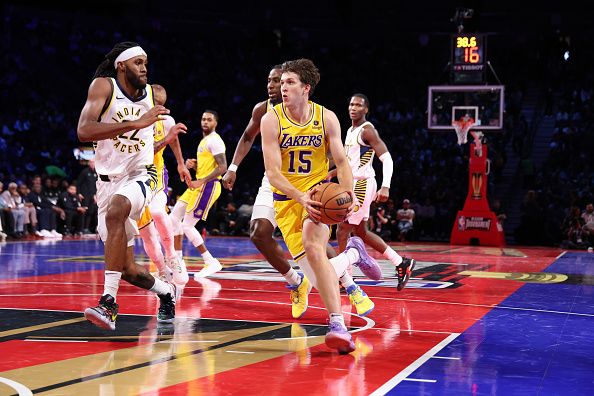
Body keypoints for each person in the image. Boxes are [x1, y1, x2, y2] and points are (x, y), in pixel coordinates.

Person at [222, 67, 376, 318]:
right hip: (275, 180)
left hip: (310, 185)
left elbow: (333, 154)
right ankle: (296, 281)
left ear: (303, 86)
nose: (274, 85)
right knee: (258, 232)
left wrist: (338, 186)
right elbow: (247, 138)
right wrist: (233, 167)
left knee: (315, 245)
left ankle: (350, 286)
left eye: (281, 81)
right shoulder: (264, 112)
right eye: (272, 81)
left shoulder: (321, 115)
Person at [261, 59, 380, 354]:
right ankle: (353, 254)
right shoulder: (271, 119)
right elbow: (273, 173)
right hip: (288, 199)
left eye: (289, 83)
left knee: (315, 248)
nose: (282, 87)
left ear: (306, 88)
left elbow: (341, 161)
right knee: (317, 275)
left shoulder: (326, 118)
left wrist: (349, 193)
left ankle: (337, 325)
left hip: (317, 194)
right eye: (282, 82)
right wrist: (299, 197)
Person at [77, 41, 178, 330]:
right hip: (106, 183)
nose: (144, 68)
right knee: (128, 270)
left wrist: (165, 138)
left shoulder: (151, 93)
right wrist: (135, 123)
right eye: (138, 63)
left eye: (146, 62)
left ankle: (108, 303)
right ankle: (166, 291)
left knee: (118, 210)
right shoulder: (103, 87)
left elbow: (154, 125)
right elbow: (84, 131)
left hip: (142, 174)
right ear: (122, 65)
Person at [334, 94, 415, 291]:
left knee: (342, 229)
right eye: (351, 104)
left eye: (358, 105)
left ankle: (346, 279)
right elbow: (349, 163)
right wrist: (331, 174)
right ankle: (401, 263)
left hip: (361, 186)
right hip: (353, 183)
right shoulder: (350, 130)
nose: (353, 108)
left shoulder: (367, 130)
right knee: (361, 232)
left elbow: (387, 159)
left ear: (366, 110)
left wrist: (385, 185)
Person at [136, 84, 191, 285]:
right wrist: (167, 138)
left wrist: (180, 163)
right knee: (147, 233)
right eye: (155, 105)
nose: (159, 110)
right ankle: (161, 269)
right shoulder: (136, 121)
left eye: (162, 106)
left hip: (155, 174)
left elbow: (173, 139)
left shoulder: (166, 120)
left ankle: (172, 256)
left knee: (158, 212)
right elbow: (148, 151)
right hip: (134, 176)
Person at [169, 110, 225, 279]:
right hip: (198, 185)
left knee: (187, 225)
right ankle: (178, 262)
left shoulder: (215, 140)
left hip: (208, 186)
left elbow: (222, 167)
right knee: (173, 219)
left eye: (209, 120)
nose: (205, 122)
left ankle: (210, 261)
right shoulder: (205, 141)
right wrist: (194, 165)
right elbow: (209, 165)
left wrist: (201, 180)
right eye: (203, 119)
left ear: (215, 123)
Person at [76, 159, 98, 234]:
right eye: (91, 162)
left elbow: (96, 185)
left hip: (92, 196)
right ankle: (81, 229)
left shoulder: (96, 173)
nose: (92, 164)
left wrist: (96, 195)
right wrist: (78, 193)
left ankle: (86, 228)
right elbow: (78, 183)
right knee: (84, 212)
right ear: (89, 163)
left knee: (90, 212)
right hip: (84, 195)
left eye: (94, 162)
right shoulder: (85, 172)